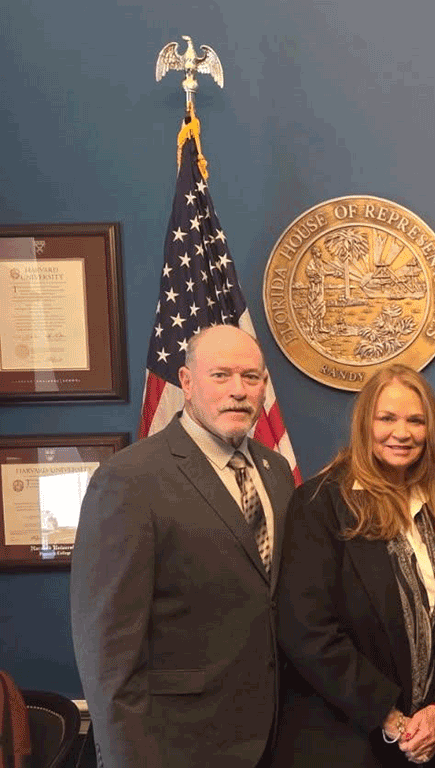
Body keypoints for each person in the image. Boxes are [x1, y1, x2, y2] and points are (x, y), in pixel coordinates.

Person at [70, 324, 295, 768]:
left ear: (264, 386)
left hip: (274, 738)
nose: (238, 390)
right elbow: (108, 653)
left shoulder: (275, 471)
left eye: (251, 377)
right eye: (221, 375)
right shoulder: (129, 480)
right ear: (187, 383)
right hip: (176, 745)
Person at [273, 364, 435, 767]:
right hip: (340, 744)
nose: (403, 433)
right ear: (365, 424)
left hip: (427, 747)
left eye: (416, 420)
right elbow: (306, 630)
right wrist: (391, 718)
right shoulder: (320, 503)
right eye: (387, 418)